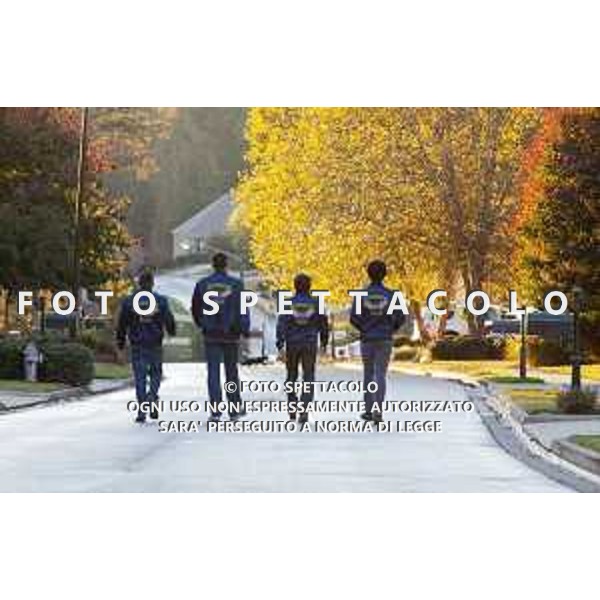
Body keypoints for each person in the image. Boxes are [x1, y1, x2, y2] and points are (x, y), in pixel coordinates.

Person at [191, 252, 249, 422]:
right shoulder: (237, 284)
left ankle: (215, 412)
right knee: (232, 373)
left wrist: (202, 323)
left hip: (211, 334)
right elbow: (242, 309)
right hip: (231, 334)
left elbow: (195, 308)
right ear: (226, 265)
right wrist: (243, 328)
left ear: (213, 265)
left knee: (213, 373)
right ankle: (234, 410)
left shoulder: (202, 284)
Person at [116, 270, 176, 424]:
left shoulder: (130, 301)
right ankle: (152, 396)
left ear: (139, 283)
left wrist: (120, 341)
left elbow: (122, 323)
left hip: (137, 344)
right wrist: (171, 331)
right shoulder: (161, 300)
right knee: (156, 374)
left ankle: (142, 410)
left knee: (140, 377)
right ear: (152, 283)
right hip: (155, 343)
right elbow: (168, 319)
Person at [350, 260, 404, 423]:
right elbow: (401, 317)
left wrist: (364, 328)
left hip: (367, 339)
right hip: (385, 339)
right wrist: (390, 328)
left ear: (368, 274)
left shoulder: (361, 295)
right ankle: (378, 410)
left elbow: (354, 318)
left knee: (368, 373)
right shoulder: (393, 295)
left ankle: (368, 410)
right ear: (384, 274)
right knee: (380, 373)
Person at [276, 273, 329, 424]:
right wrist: (324, 343)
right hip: (309, 344)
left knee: (291, 376)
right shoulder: (316, 303)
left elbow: (282, 325)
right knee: (308, 377)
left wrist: (280, 345)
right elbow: (323, 324)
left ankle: (292, 409)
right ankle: (304, 409)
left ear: (295, 286)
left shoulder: (287, 303)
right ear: (309, 286)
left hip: (292, 344)